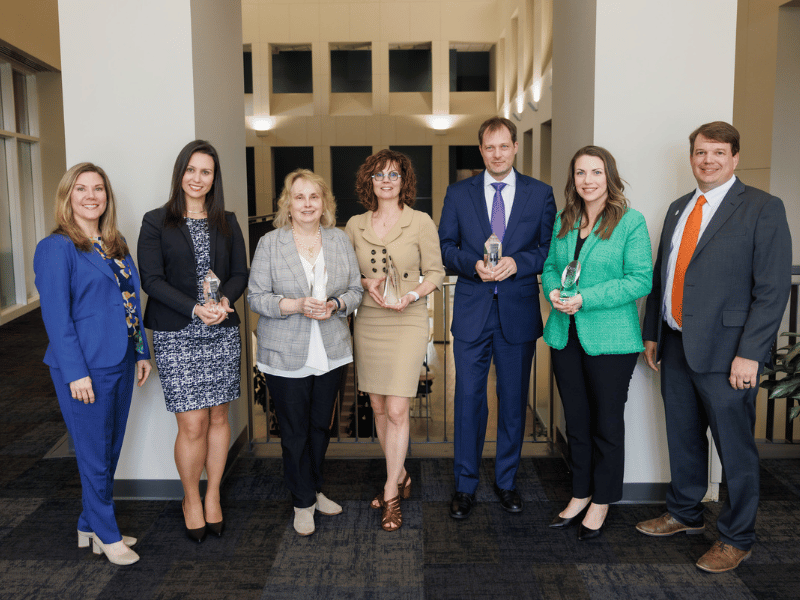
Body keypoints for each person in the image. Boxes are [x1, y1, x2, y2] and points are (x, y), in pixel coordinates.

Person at [637, 122, 792, 572]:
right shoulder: (679, 207)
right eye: (701, 152)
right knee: (683, 438)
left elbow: (772, 289)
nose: (708, 160)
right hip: (676, 344)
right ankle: (685, 514)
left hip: (729, 353)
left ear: (735, 158)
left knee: (735, 449)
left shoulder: (762, 208)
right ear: (692, 158)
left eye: (719, 153)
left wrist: (751, 354)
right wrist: (653, 331)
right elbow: (662, 275)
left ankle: (737, 537)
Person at [439, 117, 556, 519]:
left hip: (517, 311)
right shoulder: (458, 194)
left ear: (515, 147)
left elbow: (547, 250)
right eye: (489, 148)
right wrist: (472, 263)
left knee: (512, 404)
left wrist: (516, 263)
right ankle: (465, 485)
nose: (497, 154)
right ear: (481, 150)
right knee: (469, 401)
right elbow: (446, 248)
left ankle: (506, 482)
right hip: (472, 311)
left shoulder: (540, 194)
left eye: (503, 146)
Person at [34, 163, 152, 565]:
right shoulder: (56, 247)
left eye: (98, 189)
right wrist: (75, 372)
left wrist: (141, 351)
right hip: (83, 366)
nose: (90, 196)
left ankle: (88, 522)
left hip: (120, 360)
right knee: (93, 453)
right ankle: (107, 533)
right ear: (68, 197)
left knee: (109, 448)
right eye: (81, 189)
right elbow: (56, 316)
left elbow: (130, 303)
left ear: (107, 197)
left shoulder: (115, 244)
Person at [138, 140, 247, 543]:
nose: (198, 179)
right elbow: (151, 281)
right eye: (191, 170)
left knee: (219, 417)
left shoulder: (227, 220)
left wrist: (222, 301)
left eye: (206, 172)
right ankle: (190, 498)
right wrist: (194, 309)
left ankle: (214, 493)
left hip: (220, 329)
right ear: (180, 173)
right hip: (177, 332)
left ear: (214, 178)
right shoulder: (156, 222)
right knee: (193, 421)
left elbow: (240, 272)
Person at [542, 146, 652, 540]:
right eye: (580, 173)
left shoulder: (629, 222)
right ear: (572, 179)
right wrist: (554, 292)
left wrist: (587, 298)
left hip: (611, 340)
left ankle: (602, 500)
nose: (587, 180)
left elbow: (640, 279)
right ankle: (579, 492)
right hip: (564, 334)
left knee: (606, 424)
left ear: (610, 177)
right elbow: (552, 267)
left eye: (596, 172)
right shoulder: (564, 219)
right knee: (577, 422)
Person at [248, 169, 362, 536]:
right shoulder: (270, 243)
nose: (308, 204)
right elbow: (255, 297)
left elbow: (356, 291)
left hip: (330, 348)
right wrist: (293, 304)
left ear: (324, 203)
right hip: (285, 351)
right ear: (288, 203)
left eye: (314, 197)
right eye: (300, 197)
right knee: (294, 430)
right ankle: (301, 502)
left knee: (320, 426)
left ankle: (313, 488)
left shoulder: (340, 240)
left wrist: (335, 303)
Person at [345, 149, 445, 532]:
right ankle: (400, 474)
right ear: (368, 182)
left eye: (394, 174)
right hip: (370, 319)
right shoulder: (354, 224)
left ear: (404, 182)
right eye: (379, 175)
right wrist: (363, 282)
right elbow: (345, 272)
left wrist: (413, 295)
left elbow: (435, 272)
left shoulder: (420, 222)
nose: (386, 180)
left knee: (399, 408)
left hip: (407, 319)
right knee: (380, 408)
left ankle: (390, 493)